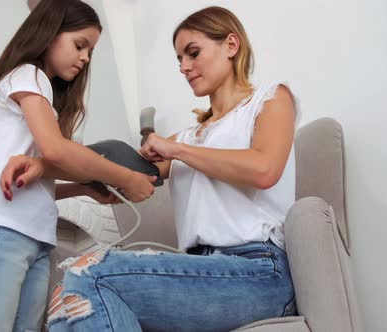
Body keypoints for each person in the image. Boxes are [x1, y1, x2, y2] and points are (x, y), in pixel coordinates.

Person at [44, 6, 300, 332]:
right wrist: (41, 165)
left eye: (193, 53)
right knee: (66, 300)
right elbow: (117, 170)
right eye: (179, 59)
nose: (184, 67)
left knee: (92, 272)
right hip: (197, 267)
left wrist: (176, 149)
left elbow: (265, 169)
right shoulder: (189, 136)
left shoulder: (270, 99)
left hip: (259, 270)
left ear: (231, 45)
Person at [0, 0, 155, 330]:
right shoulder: (27, 75)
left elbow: (31, 179)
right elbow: (56, 151)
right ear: (49, 34)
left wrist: (83, 188)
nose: (85, 58)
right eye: (80, 45)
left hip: (34, 239)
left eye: (89, 51)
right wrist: (126, 177)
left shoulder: (42, 93)